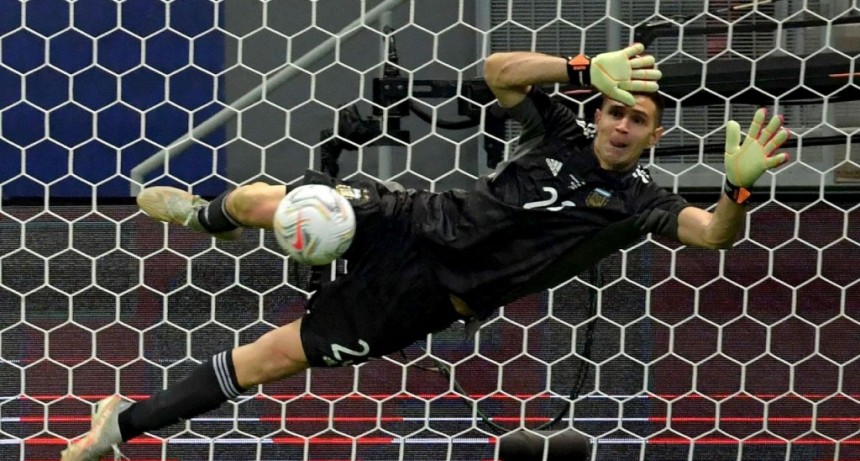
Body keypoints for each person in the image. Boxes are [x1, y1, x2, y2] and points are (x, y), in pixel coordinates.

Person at [61, 43, 789, 460]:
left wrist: (738, 190)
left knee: (269, 361)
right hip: (413, 220)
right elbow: (499, 71)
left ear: (655, 136)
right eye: (615, 111)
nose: (622, 126)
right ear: (598, 110)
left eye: (637, 121)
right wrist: (578, 66)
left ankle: (119, 424)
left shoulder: (641, 203)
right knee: (270, 204)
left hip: (427, 298)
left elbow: (713, 233)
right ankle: (206, 215)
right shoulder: (561, 132)